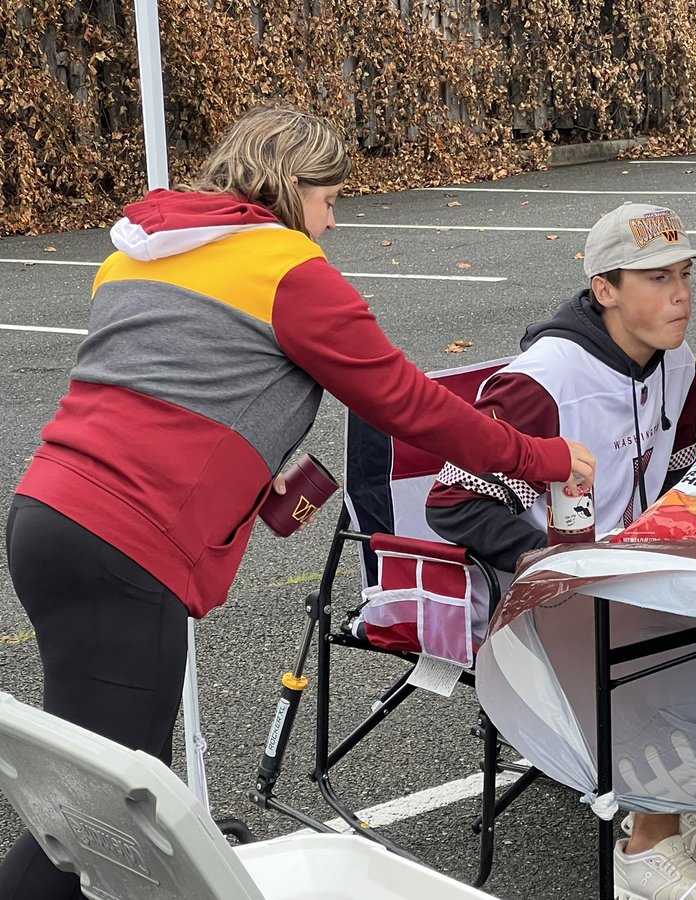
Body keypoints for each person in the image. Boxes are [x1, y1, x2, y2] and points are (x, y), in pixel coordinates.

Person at [0, 104, 594, 899]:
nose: (333, 219)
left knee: (109, 796)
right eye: (328, 197)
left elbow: (157, 391)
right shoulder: (286, 268)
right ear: (290, 184)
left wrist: (256, 457)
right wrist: (541, 456)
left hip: (47, 516)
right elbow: (410, 406)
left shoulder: (142, 253)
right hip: (125, 546)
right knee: (97, 823)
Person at [427, 203, 696, 900]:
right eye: (657, 278)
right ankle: (644, 850)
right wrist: (560, 561)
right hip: (550, 594)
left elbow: (672, 475)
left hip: (631, 574)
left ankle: (678, 797)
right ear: (604, 289)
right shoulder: (543, 380)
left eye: (686, 274)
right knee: (681, 628)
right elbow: (454, 501)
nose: (682, 294)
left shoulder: (680, 362)